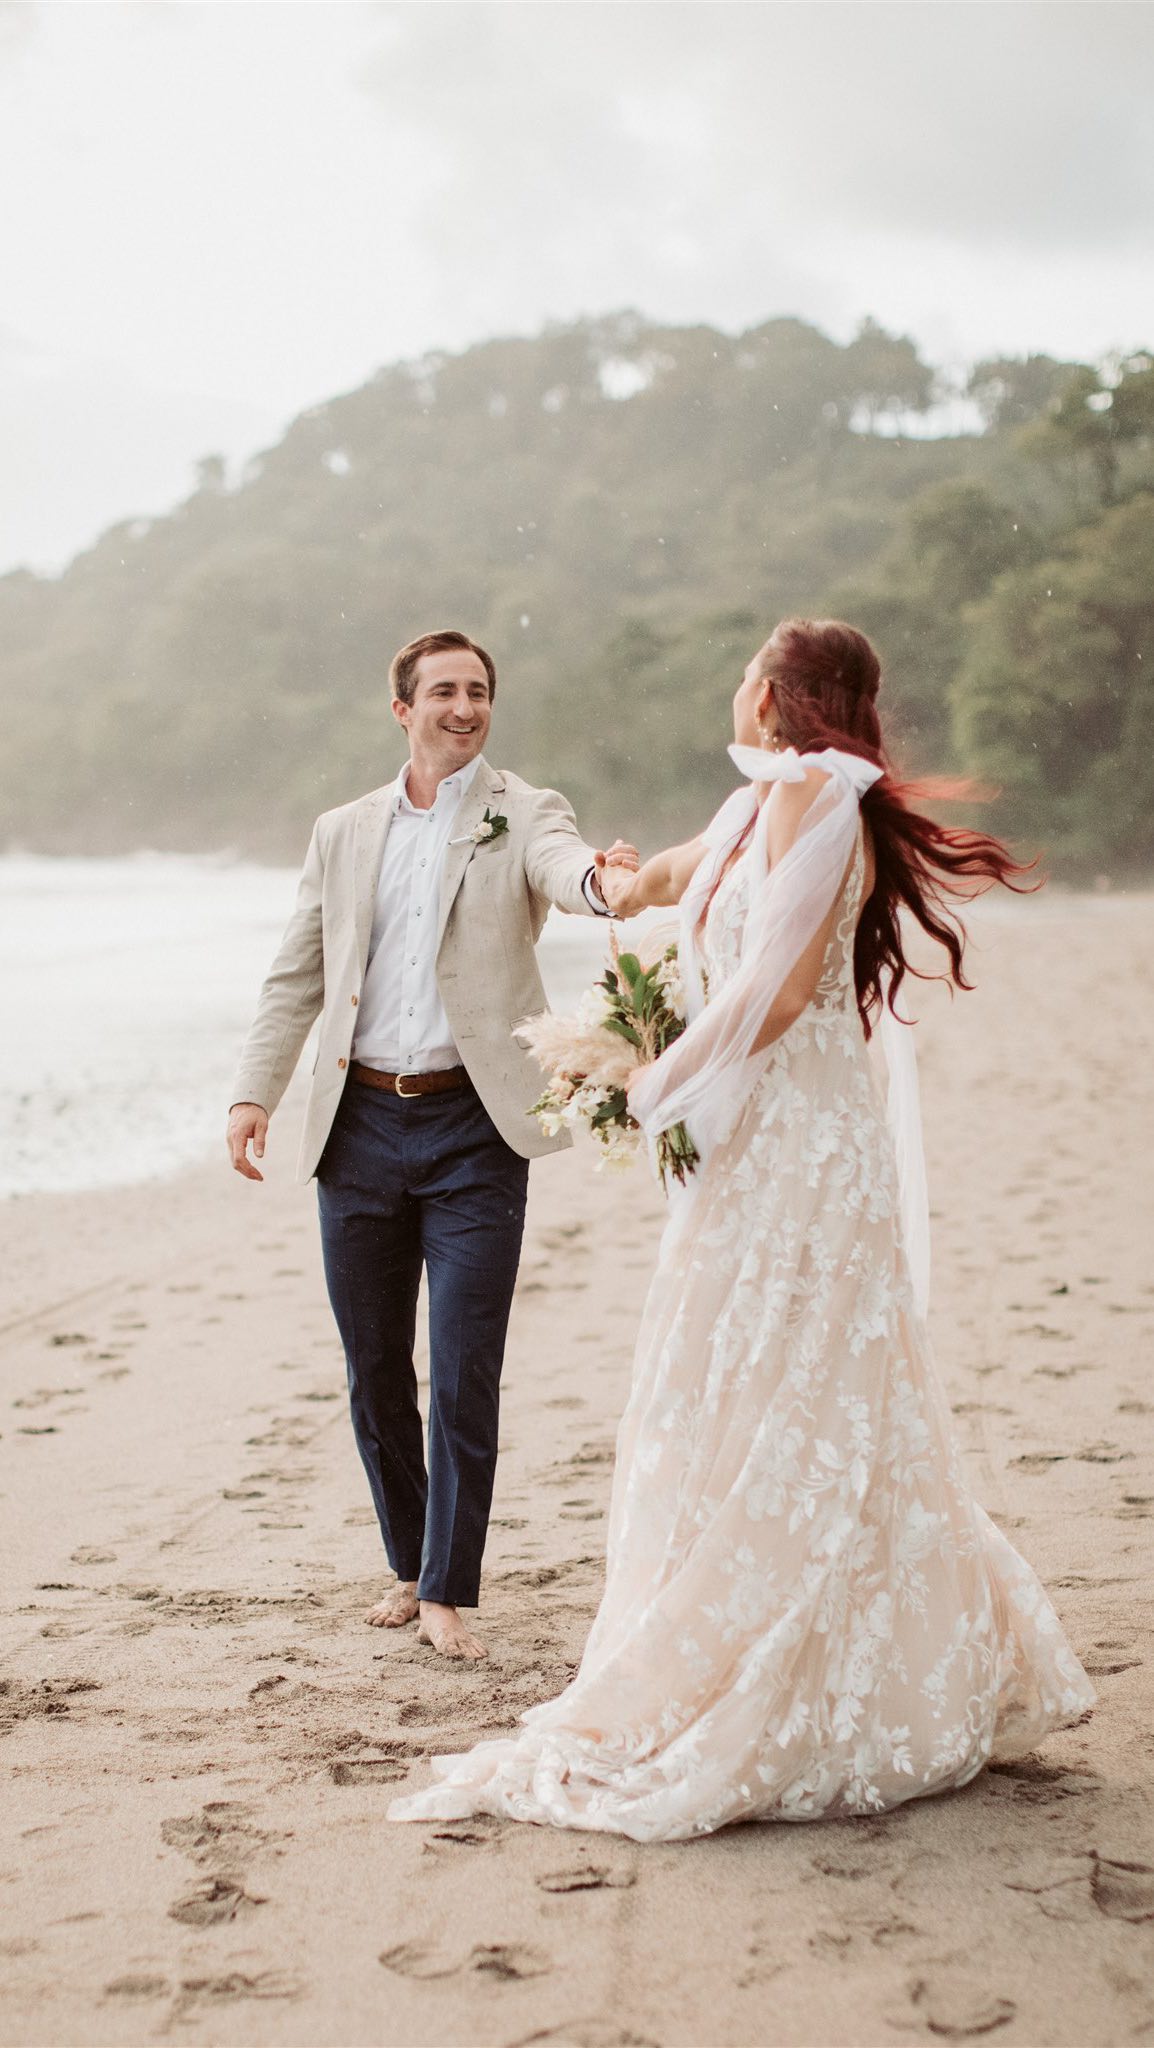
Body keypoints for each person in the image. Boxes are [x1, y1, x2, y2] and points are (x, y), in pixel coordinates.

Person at [389, 617, 1094, 1834]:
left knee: (799, 1381)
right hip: (750, 1140)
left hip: (799, 1137)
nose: (734, 688)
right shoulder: (761, 797)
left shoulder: (816, 796)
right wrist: (596, 881)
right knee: (734, 1375)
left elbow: (773, 990)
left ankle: (808, 1654)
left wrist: (650, 1083)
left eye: (743, 673)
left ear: (770, 692)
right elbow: (656, 882)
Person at [227, 629, 638, 1661]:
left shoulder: (523, 810)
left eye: (480, 691)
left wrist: (605, 882)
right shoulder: (343, 830)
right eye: (444, 691)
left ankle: (450, 1586)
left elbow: (565, 870)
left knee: (463, 1365)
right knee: (373, 1367)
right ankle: (409, 1563)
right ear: (401, 707)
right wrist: (253, 1094)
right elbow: (296, 974)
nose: (464, 706)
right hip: (354, 1125)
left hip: (473, 1128)